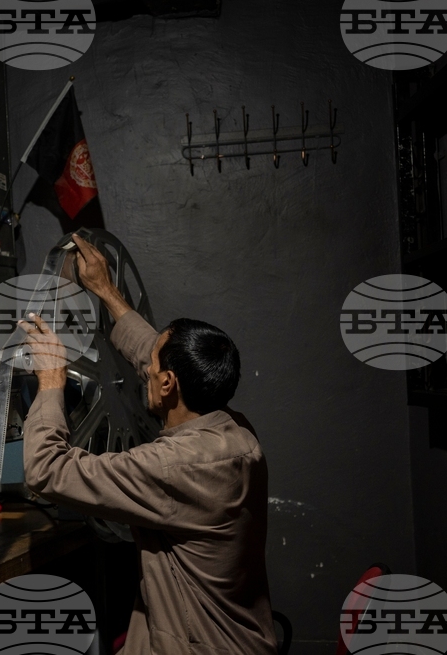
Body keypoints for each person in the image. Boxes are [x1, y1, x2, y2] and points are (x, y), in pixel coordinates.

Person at [18, 234, 278, 655]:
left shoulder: (174, 467)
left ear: (169, 383)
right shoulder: (235, 432)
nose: (143, 369)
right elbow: (150, 355)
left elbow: (46, 470)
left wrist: (50, 382)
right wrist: (106, 292)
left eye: (154, 368)